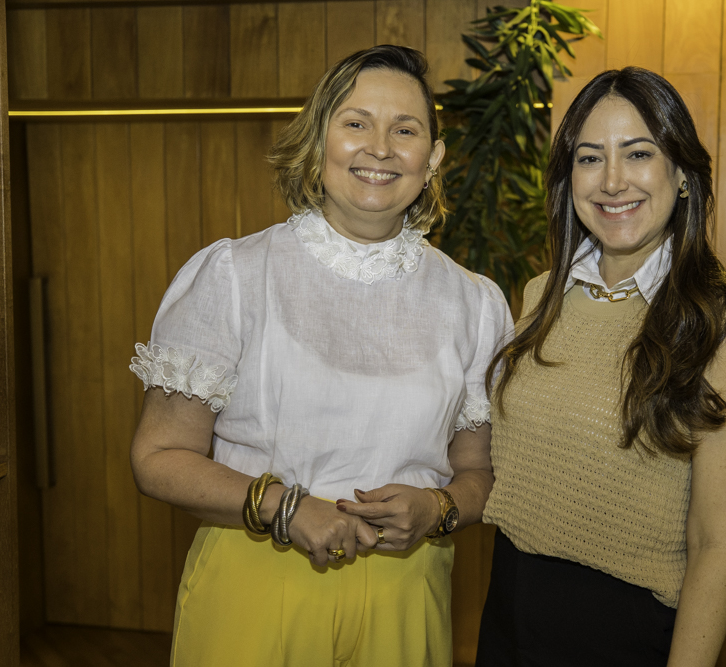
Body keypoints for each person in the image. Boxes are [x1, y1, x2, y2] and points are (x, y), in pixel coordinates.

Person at [129, 45, 512, 667]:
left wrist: (437, 508)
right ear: (319, 140)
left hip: (407, 591)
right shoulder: (234, 275)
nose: (380, 148)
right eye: (356, 123)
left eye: (405, 130)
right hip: (257, 580)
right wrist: (284, 507)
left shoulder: (475, 302)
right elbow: (158, 458)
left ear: (434, 157)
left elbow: (480, 472)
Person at [476, 67, 726, 666]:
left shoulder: (725, 333)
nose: (613, 181)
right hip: (507, 614)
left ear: (682, 173)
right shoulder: (541, 296)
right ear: (569, 180)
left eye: (638, 153)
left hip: (621, 635)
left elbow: (716, 545)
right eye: (590, 158)